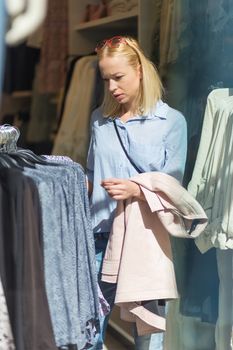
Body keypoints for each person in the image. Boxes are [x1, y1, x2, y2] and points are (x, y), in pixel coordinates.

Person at [86, 35, 187, 350]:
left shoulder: (171, 122)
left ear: (140, 70)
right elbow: (91, 173)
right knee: (88, 329)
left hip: (144, 238)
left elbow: (174, 187)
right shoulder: (99, 120)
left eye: (119, 77)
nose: (112, 86)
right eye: (106, 79)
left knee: (147, 335)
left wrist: (136, 189)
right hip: (98, 236)